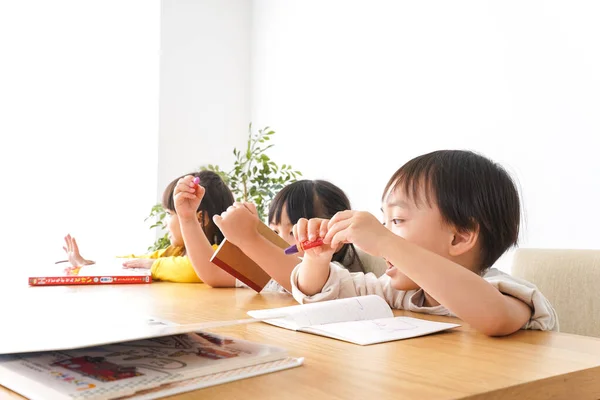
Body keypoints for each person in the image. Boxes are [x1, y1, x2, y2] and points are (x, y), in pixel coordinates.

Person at [291, 150, 558, 336]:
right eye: (384, 221)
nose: (383, 231)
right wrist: (316, 259)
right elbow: (325, 294)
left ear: (460, 237)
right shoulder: (399, 292)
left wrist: (385, 241)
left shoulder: (505, 291)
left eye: (396, 220)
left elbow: (495, 318)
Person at [175, 179, 387, 291]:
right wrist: (187, 218)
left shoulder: (333, 274)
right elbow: (212, 274)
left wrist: (251, 239)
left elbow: (301, 278)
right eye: (274, 230)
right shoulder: (267, 267)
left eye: (294, 231)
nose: (282, 240)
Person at [62, 170, 234, 282]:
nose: (165, 223)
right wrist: (89, 264)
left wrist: (151, 264)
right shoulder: (174, 252)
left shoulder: (217, 254)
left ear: (199, 218)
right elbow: (133, 261)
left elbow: (194, 269)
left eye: (169, 214)